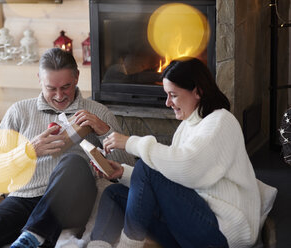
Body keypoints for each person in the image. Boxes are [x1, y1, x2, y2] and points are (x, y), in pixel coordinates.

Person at [88, 57, 276, 248]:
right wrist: (124, 173)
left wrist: (130, 143)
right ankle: (98, 245)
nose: (168, 103)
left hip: (220, 231)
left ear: (198, 91)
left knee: (146, 164)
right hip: (189, 224)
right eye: (166, 95)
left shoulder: (221, 121)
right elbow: (170, 176)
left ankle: (128, 246)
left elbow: (188, 169)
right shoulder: (188, 125)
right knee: (114, 193)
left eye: (173, 95)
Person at [0, 48, 134, 248]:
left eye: (66, 87)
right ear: (39, 79)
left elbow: (127, 170)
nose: (59, 96)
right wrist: (29, 151)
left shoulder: (98, 112)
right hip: (25, 199)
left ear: (76, 77)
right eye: (51, 88)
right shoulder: (19, 111)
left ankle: (32, 238)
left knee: (73, 161)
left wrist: (103, 131)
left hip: (72, 203)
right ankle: (30, 239)